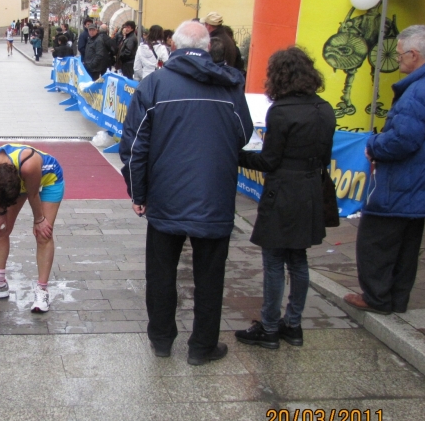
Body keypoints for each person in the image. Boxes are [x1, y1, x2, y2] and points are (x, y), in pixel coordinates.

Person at [119, 20, 252, 364]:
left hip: (165, 196)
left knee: (161, 274)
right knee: (210, 277)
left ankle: (162, 340)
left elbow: (134, 146)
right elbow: (242, 133)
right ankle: (202, 346)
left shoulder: (154, 85)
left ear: (172, 47)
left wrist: (138, 193)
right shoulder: (229, 86)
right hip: (215, 198)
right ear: (208, 49)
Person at [234, 47, 336, 349]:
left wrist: (236, 155)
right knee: (299, 260)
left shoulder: (281, 111)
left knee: (275, 261)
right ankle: (293, 324)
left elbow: (269, 161)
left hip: (285, 191)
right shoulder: (325, 108)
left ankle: (268, 327)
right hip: (311, 190)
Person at [343, 25, 425, 316]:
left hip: (402, 179)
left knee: (376, 240)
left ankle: (377, 297)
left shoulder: (418, 90)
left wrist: (375, 144)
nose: (397, 60)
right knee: (407, 245)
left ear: (414, 54)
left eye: (399, 55)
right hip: (422, 180)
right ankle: (397, 298)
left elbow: (404, 139)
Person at [0, 144, 64, 313]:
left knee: (43, 233)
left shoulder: (30, 166)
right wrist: (0, 212)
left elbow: (33, 194)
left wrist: (39, 220)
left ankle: (42, 290)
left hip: (48, 179)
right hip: (13, 181)